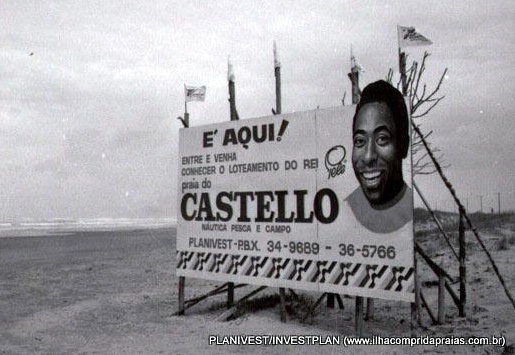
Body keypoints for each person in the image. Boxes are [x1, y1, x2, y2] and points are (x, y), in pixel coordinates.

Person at [345, 80, 413, 233]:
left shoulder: (407, 213)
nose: (368, 157)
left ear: (403, 145)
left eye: (382, 139)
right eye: (360, 141)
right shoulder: (346, 209)